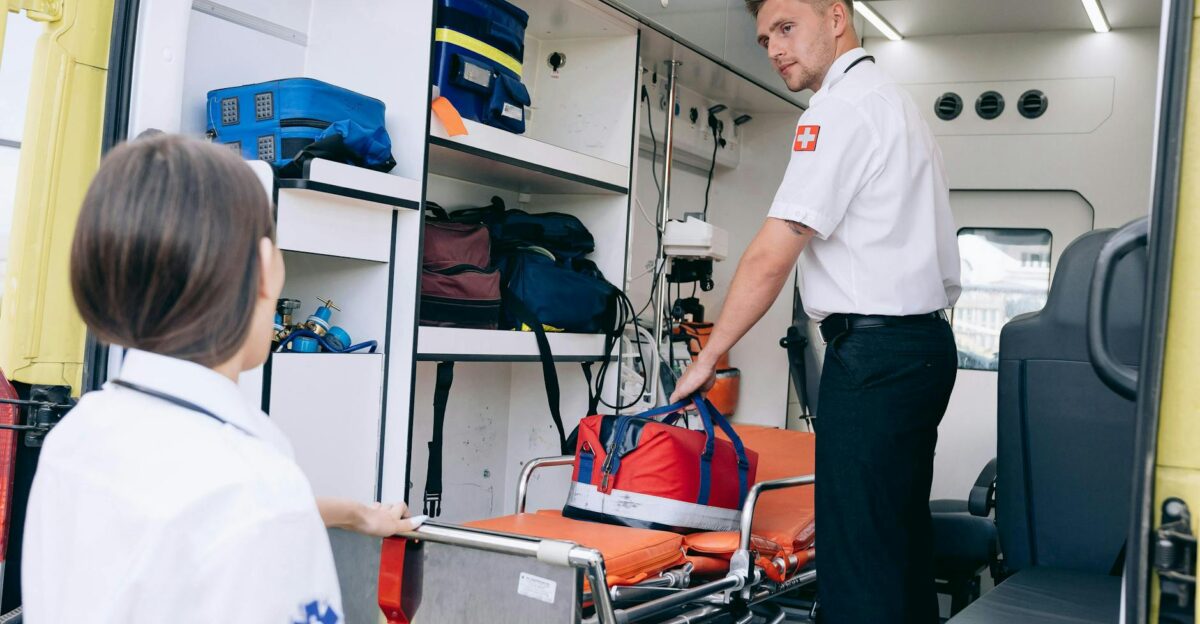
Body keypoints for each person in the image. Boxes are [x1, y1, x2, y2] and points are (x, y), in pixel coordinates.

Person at [21, 134, 423, 623]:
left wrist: (358, 513)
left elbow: (191, 515)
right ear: (266, 269)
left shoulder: (79, 435)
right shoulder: (256, 494)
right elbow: (238, 510)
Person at [670, 0, 961, 621]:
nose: (774, 49)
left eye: (786, 28)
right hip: (925, 348)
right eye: (764, 39)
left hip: (877, 357)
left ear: (835, 18)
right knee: (899, 547)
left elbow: (771, 256)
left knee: (856, 560)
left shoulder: (838, 108)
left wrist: (709, 355)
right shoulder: (895, 103)